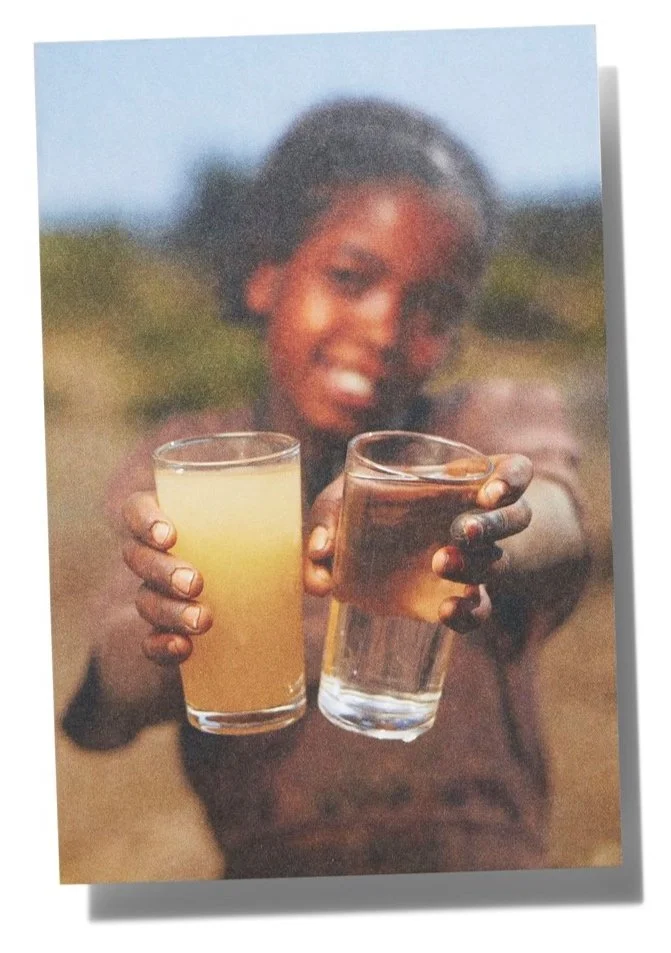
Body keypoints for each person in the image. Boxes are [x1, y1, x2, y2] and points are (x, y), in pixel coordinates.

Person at [63, 98, 590, 878]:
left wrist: (465, 525)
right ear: (264, 277)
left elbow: (554, 520)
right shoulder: (184, 463)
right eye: (350, 277)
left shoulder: (477, 425)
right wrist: (163, 633)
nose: (384, 328)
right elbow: (104, 707)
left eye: (434, 308)